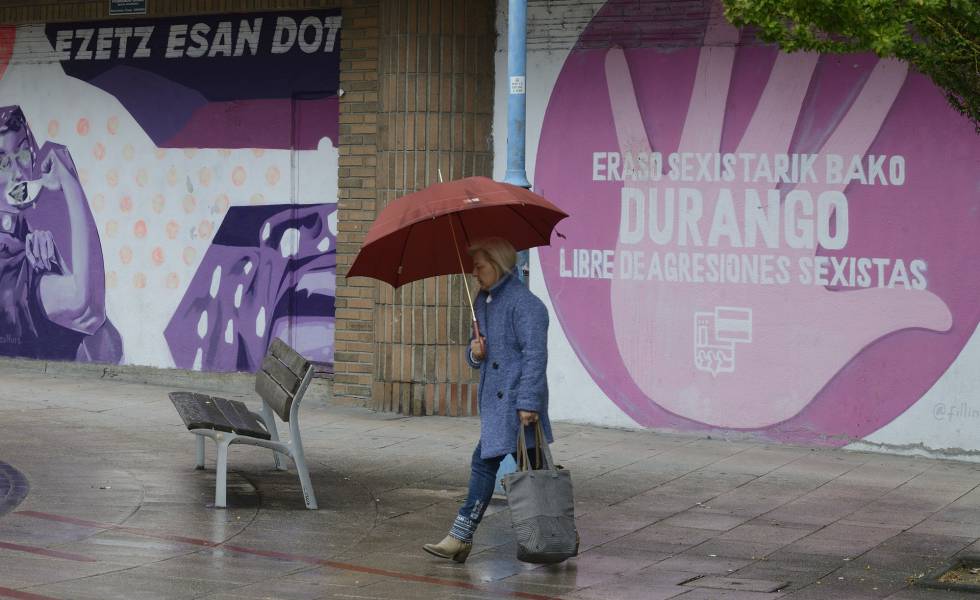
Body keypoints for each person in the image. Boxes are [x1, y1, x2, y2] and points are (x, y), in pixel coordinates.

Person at [423, 237, 552, 563]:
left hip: (516, 405)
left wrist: (528, 403)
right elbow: (478, 352)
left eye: (480, 267)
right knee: (536, 471)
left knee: (489, 464)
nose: (475, 274)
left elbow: (535, 357)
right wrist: (475, 352)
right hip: (499, 404)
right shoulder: (483, 301)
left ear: (498, 264)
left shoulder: (527, 306)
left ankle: (461, 536)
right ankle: (561, 531)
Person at [0, 105, 120, 361]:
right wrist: (70, 182)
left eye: (21, 152)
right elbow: (83, 304)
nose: (17, 172)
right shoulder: (13, 271)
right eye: (2, 161)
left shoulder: (32, 238)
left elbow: (96, 323)